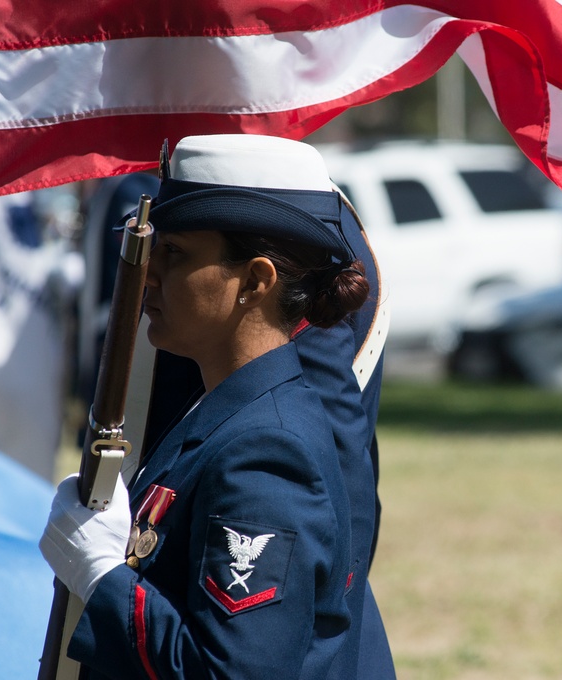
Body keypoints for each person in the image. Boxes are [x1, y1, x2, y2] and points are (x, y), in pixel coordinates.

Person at [40, 134, 381, 678]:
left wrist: (102, 576)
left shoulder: (267, 451)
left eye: (175, 254)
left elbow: (233, 670)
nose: (148, 274)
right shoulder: (224, 413)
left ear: (255, 280)